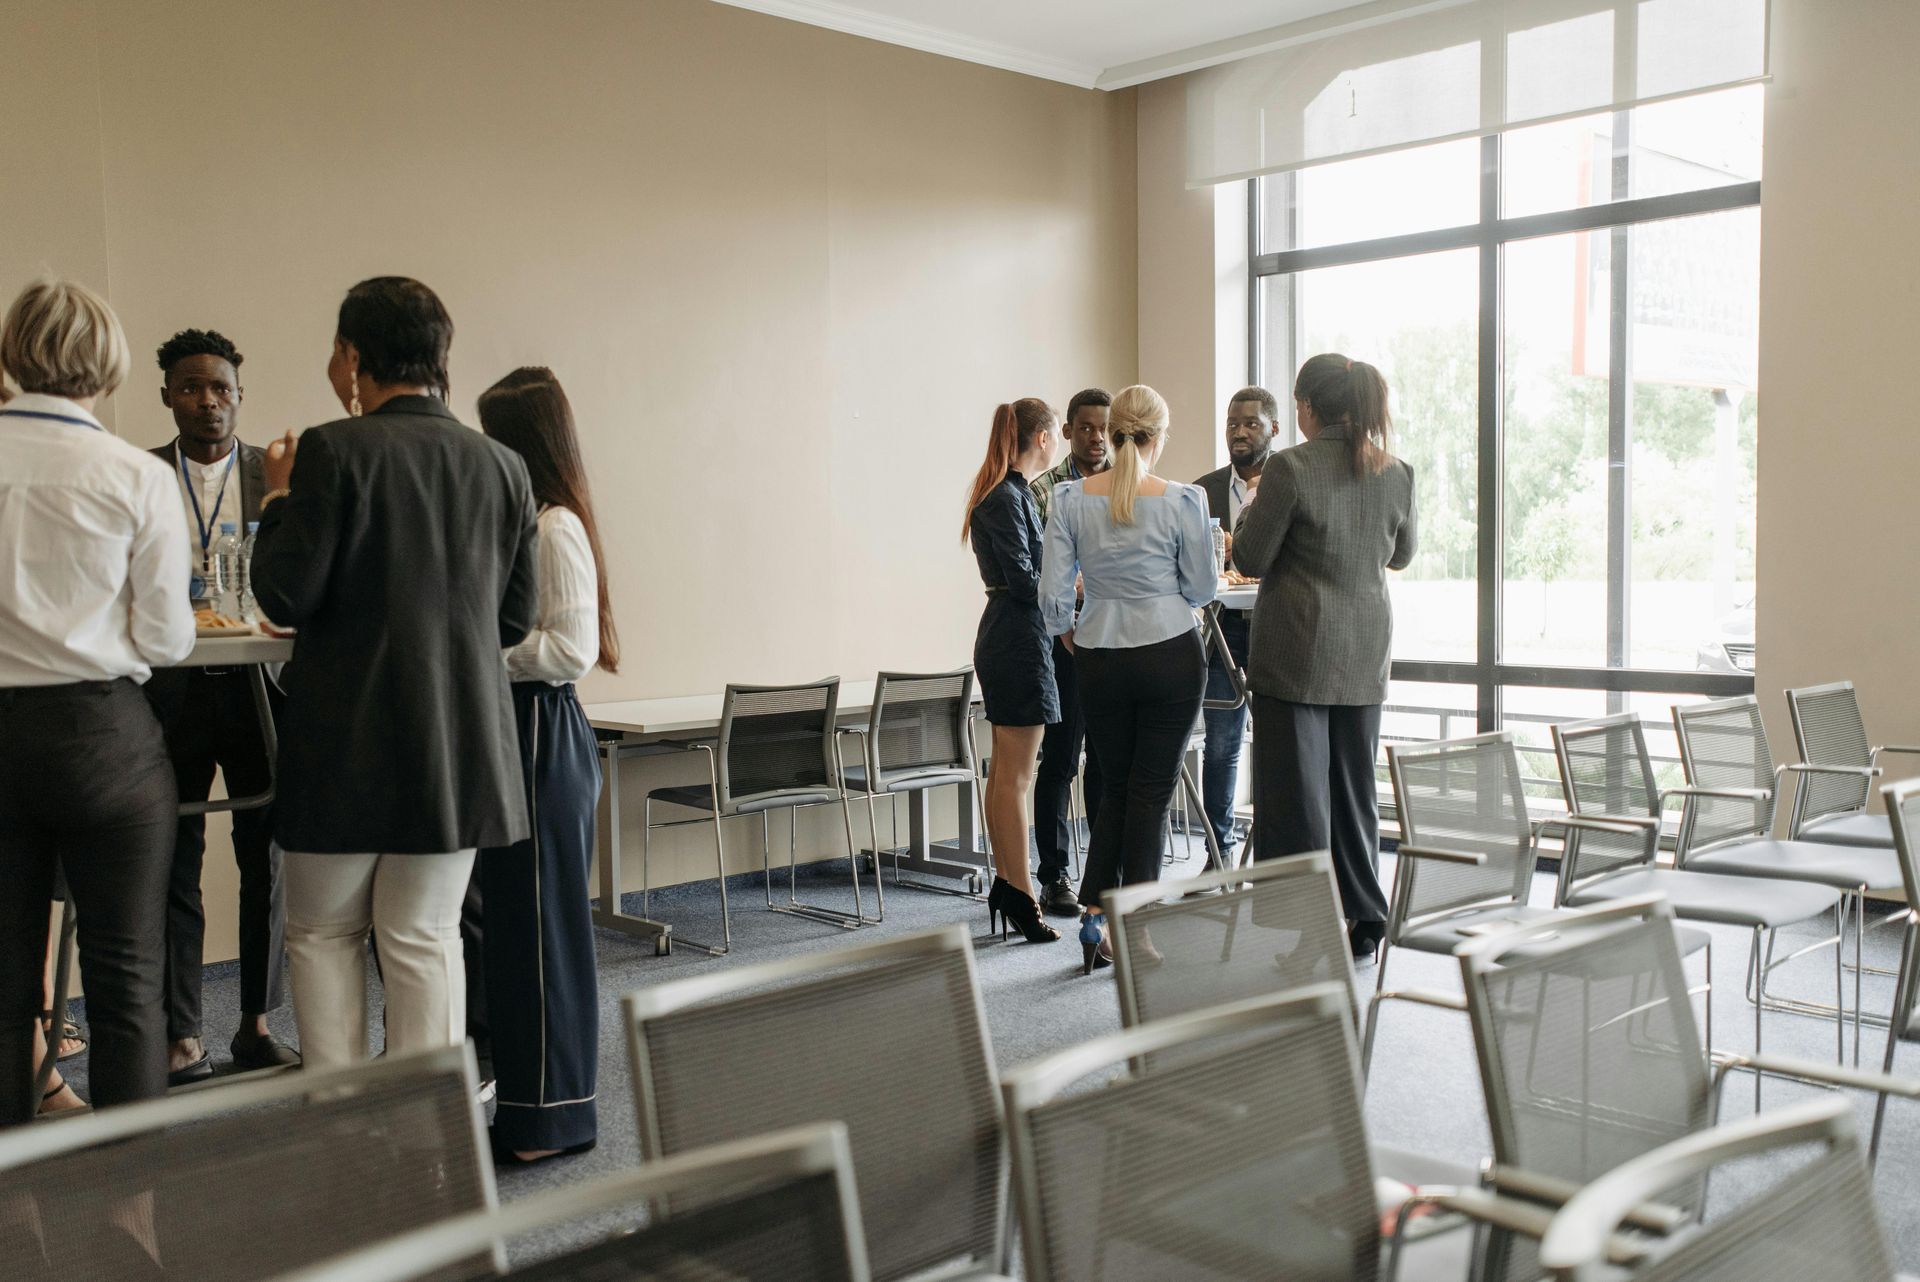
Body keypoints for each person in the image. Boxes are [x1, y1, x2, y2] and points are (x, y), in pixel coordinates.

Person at [251, 277, 538, 1070]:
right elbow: (513, 621)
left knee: (323, 937)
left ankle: (340, 1124)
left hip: (345, 742)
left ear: (351, 355)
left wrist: (276, 500)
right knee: (423, 938)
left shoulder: (331, 450)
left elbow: (284, 590)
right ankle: (426, 1137)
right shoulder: (505, 465)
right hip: (457, 747)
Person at [0, 279, 195, 1125]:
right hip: (104, 738)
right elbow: (166, 641)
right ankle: (130, 1209)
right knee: (127, 983)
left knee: (6, 983)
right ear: (110, 367)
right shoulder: (134, 476)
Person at [142, 328, 300, 1083]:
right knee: (174, 861)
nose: (209, 401)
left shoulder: (274, 480)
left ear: (240, 396)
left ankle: (255, 1023)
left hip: (256, 694)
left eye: (222, 389)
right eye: (192, 388)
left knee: (263, 858)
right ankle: (182, 1035)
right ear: (168, 395)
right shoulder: (139, 477)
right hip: (168, 695)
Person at [474, 367, 617, 1165]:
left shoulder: (555, 525)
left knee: (542, 936)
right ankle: (533, 1111)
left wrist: (474, 656)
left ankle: (551, 1121)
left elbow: (571, 649)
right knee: (519, 933)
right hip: (517, 730)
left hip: (541, 732)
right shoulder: (523, 517)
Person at [1231, 354, 1417, 963]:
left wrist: (1253, 513)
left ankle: (1315, 930)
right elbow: (1402, 556)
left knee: (1300, 800)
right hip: (1364, 654)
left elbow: (1253, 559)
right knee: (1354, 791)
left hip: (1296, 655)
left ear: (1307, 408)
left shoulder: (1290, 467)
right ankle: (1365, 916)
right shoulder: (1397, 471)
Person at [1040, 385, 1213, 973]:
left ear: (1111, 433)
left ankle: (1094, 916)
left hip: (1100, 656)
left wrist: (1071, 630)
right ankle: (1135, 929)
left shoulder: (1068, 499)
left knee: (1113, 787)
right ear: (1158, 437)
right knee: (1150, 793)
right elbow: (1203, 588)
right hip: (1169, 652)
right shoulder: (1182, 501)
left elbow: (1052, 595)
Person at [962, 398, 1064, 946]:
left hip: (1010, 634)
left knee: (1005, 772)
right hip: (1018, 637)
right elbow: (1027, 582)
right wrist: (1068, 584)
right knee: (1016, 776)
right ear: (1043, 438)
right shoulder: (1008, 496)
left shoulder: (1006, 492)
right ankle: (1023, 894)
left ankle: (1008, 884)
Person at [1191, 386, 1283, 866]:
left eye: (1250, 423)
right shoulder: (1200, 490)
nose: (1239, 432)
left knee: (1277, 744)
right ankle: (1218, 849)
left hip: (1275, 631)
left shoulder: (1289, 485)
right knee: (1222, 744)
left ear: (1274, 429)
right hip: (1221, 632)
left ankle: (1272, 850)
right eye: (1232, 424)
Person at [1027, 388, 1110, 915]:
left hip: (1114, 641)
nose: (1096, 437)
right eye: (1085, 428)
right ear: (1068, 432)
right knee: (1060, 760)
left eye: (1104, 428)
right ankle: (1054, 875)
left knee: (1104, 762)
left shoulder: (1124, 486)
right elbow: (1043, 575)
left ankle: (1104, 873)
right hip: (1062, 642)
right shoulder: (1044, 492)